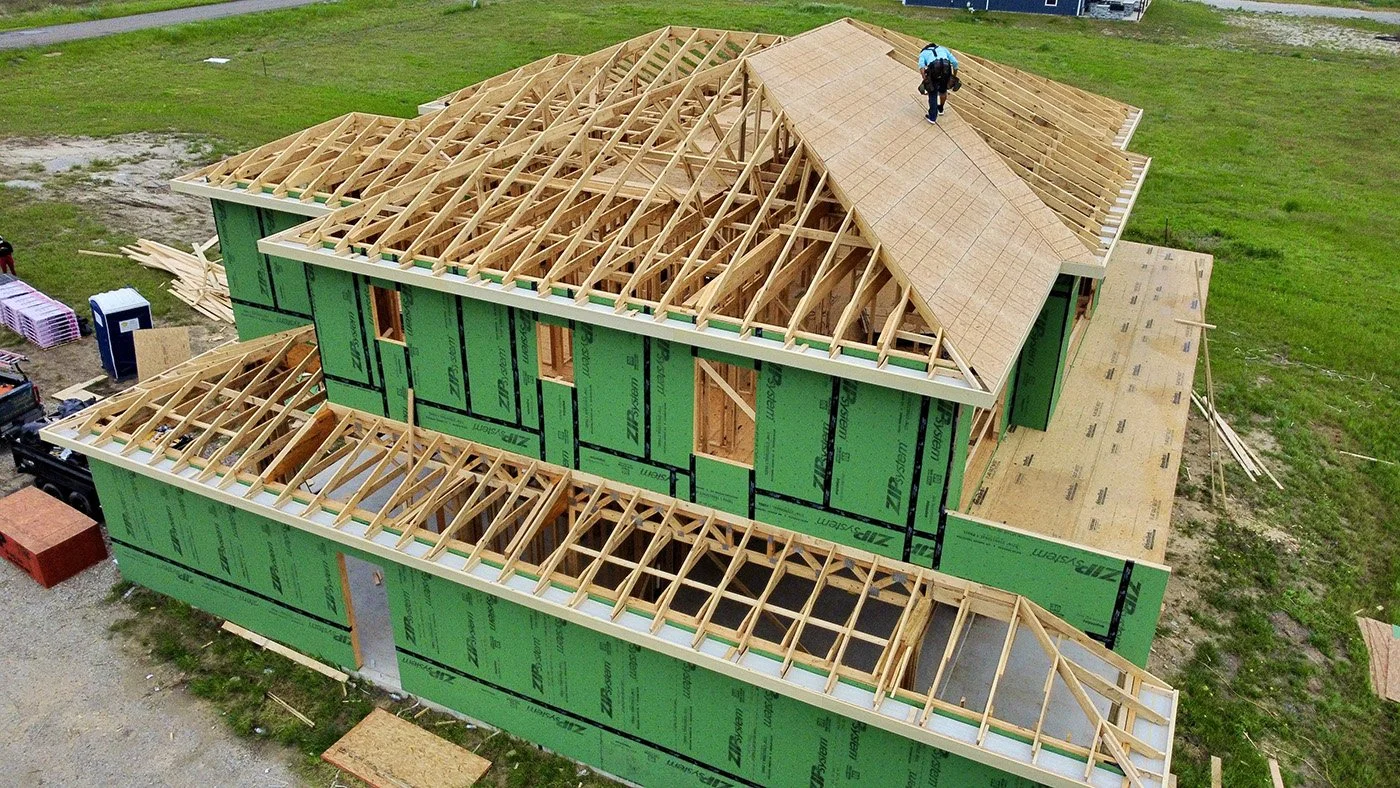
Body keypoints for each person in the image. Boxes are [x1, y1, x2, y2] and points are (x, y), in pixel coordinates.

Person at [918, 43, 960, 124]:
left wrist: (925, 79)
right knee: (943, 90)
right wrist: (954, 76)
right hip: (946, 69)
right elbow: (955, 62)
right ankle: (940, 108)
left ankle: (932, 117)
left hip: (934, 70)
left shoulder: (923, 54)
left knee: (933, 92)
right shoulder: (943, 48)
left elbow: (922, 68)